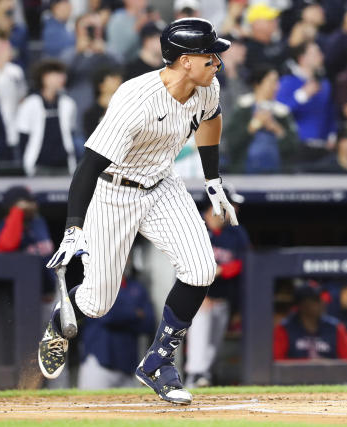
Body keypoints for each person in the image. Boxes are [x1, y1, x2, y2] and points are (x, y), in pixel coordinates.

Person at [38, 18, 239, 405]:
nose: (217, 59)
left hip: (162, 184)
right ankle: (59, 324)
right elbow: (89, 166)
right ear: (183, 61)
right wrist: (73, 228)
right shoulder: (136, 98)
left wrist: (212, 180)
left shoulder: (207, 87)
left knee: (201, 269)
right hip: (113, 191)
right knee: (97, 303)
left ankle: (159, 362)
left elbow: (211, 121)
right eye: (208, 54)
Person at [184, 185, 249, 388]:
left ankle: (203, 377)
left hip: (224, 298)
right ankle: (195, 375)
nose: (233, 210)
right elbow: (185, 264)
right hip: (197, 296)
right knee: (200, 327)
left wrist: (222, 270)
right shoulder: (195, 227)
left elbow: (244, 263)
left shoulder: (235, 233)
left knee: (214, 346)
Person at [78, 259, 156, 389]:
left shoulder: (137, 287)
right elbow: (107, 316)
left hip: (127, 366)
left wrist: (120, 312)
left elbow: (149, 323)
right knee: (90, 407)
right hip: (98, 362)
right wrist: (135, 313)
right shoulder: (94, 284)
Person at [224, 66, 299, 174]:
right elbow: (231, 143)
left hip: (278, 175)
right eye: (272, 82)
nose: (277, 87)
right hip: (244, 174)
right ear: (257, 84)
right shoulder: (243, 108)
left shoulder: (282, 112)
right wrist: (252, 126)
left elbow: (294, 148)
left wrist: (277, 129)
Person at [0, 186, 56, 298]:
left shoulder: (38, 223)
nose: (34, 206)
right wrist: (17, 212)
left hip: (48, 296)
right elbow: (7, 245)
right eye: (29, 202)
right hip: (17, 299)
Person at [276, 41, 337, 164]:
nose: (321, 56)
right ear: (302, 58)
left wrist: (332, 134)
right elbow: (279, 112)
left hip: (322, 145)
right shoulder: (288, 82)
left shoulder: (324, 84)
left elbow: (330, 111)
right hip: (297, 147)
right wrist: (301, 95)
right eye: (315, 53)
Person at [17, 59, 78, 176]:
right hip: (39, 165)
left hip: (64, 165)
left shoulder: (68, 104)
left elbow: (70, 133)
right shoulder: (29, 104)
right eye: (56, 74)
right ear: (44, 78)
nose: (61, 78)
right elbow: (23, 138)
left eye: (62, 74)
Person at [273, 281, 347, 360]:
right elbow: (275, 363)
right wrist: (308, 365)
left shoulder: (335, 327)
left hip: (329, 376)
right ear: (302, 305)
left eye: (322, 299)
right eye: (316, 300)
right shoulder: (285, 329)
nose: (322, 303)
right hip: (295, 377)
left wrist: (328, 367)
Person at [62, 13, 119, 133]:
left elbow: (121, 70)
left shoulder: (109, 52)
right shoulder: (69, 54)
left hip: (105, 112)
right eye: (89, 27)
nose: (93, 31)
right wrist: (78, 53)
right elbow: (62, 77)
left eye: (97, 27)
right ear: (77, 30)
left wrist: (104, 52)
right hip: (78, 110)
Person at [242, 3, 288, 74]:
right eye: (269, 20)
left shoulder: (275, 43)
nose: (275, 22)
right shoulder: (247, 48)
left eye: (275, 19)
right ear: (256, 24)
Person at [0, 0, 29, 70]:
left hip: (15, 73)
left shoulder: (20, 30)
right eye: (5, 1)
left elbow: (24, 58)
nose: (10, 5)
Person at [83, 66, 123, 140]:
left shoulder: (124, 108)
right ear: (101, 86)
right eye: (113, 78)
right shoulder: (90, 113)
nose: (118, 81)